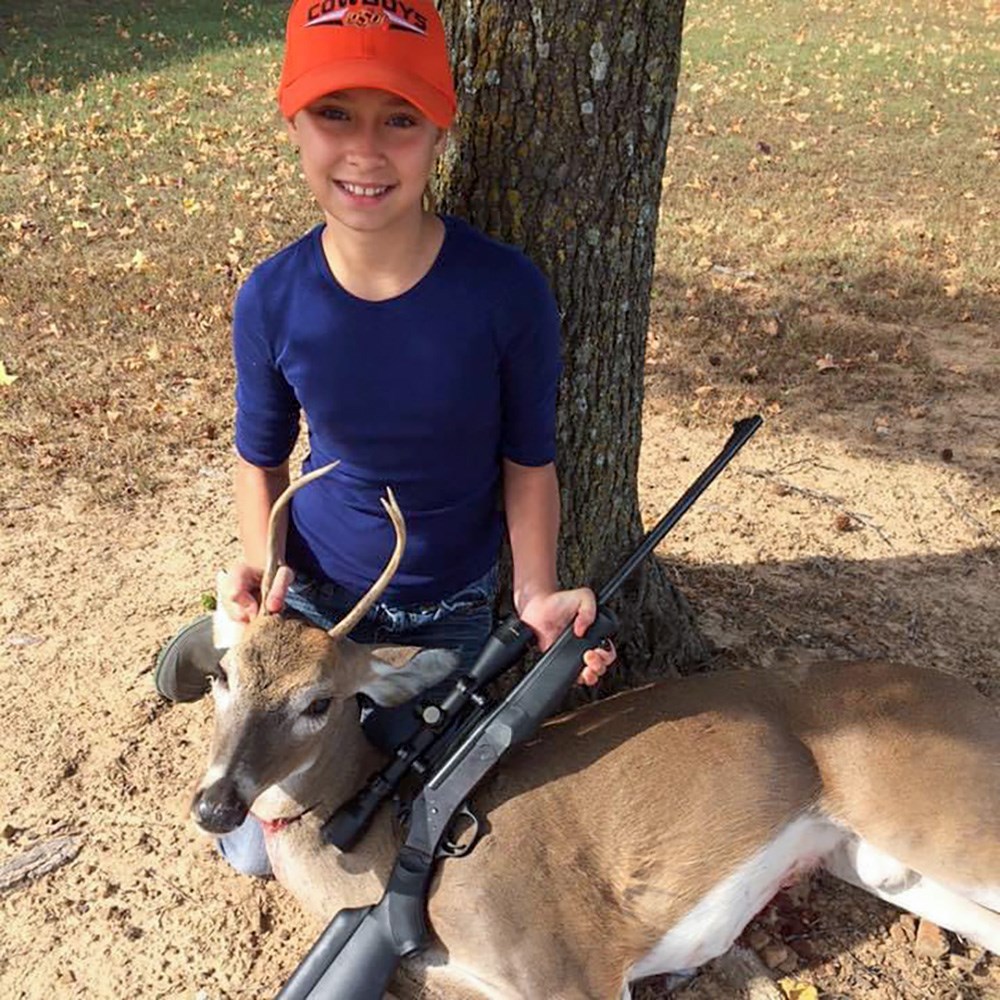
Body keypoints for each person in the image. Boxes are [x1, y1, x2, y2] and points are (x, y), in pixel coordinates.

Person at [155, 0, 615, 876]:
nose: (366, 152)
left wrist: (534, 594)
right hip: (322, 603)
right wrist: (266, 587)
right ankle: (213, 655)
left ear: (440, 130)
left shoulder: (505, 293)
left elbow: (530, 461)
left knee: (426, 807)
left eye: (400, 120)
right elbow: (261, 458)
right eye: (335, 114)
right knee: (257, 848)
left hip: (448, 608)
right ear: (293, 118)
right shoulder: (273, 298)